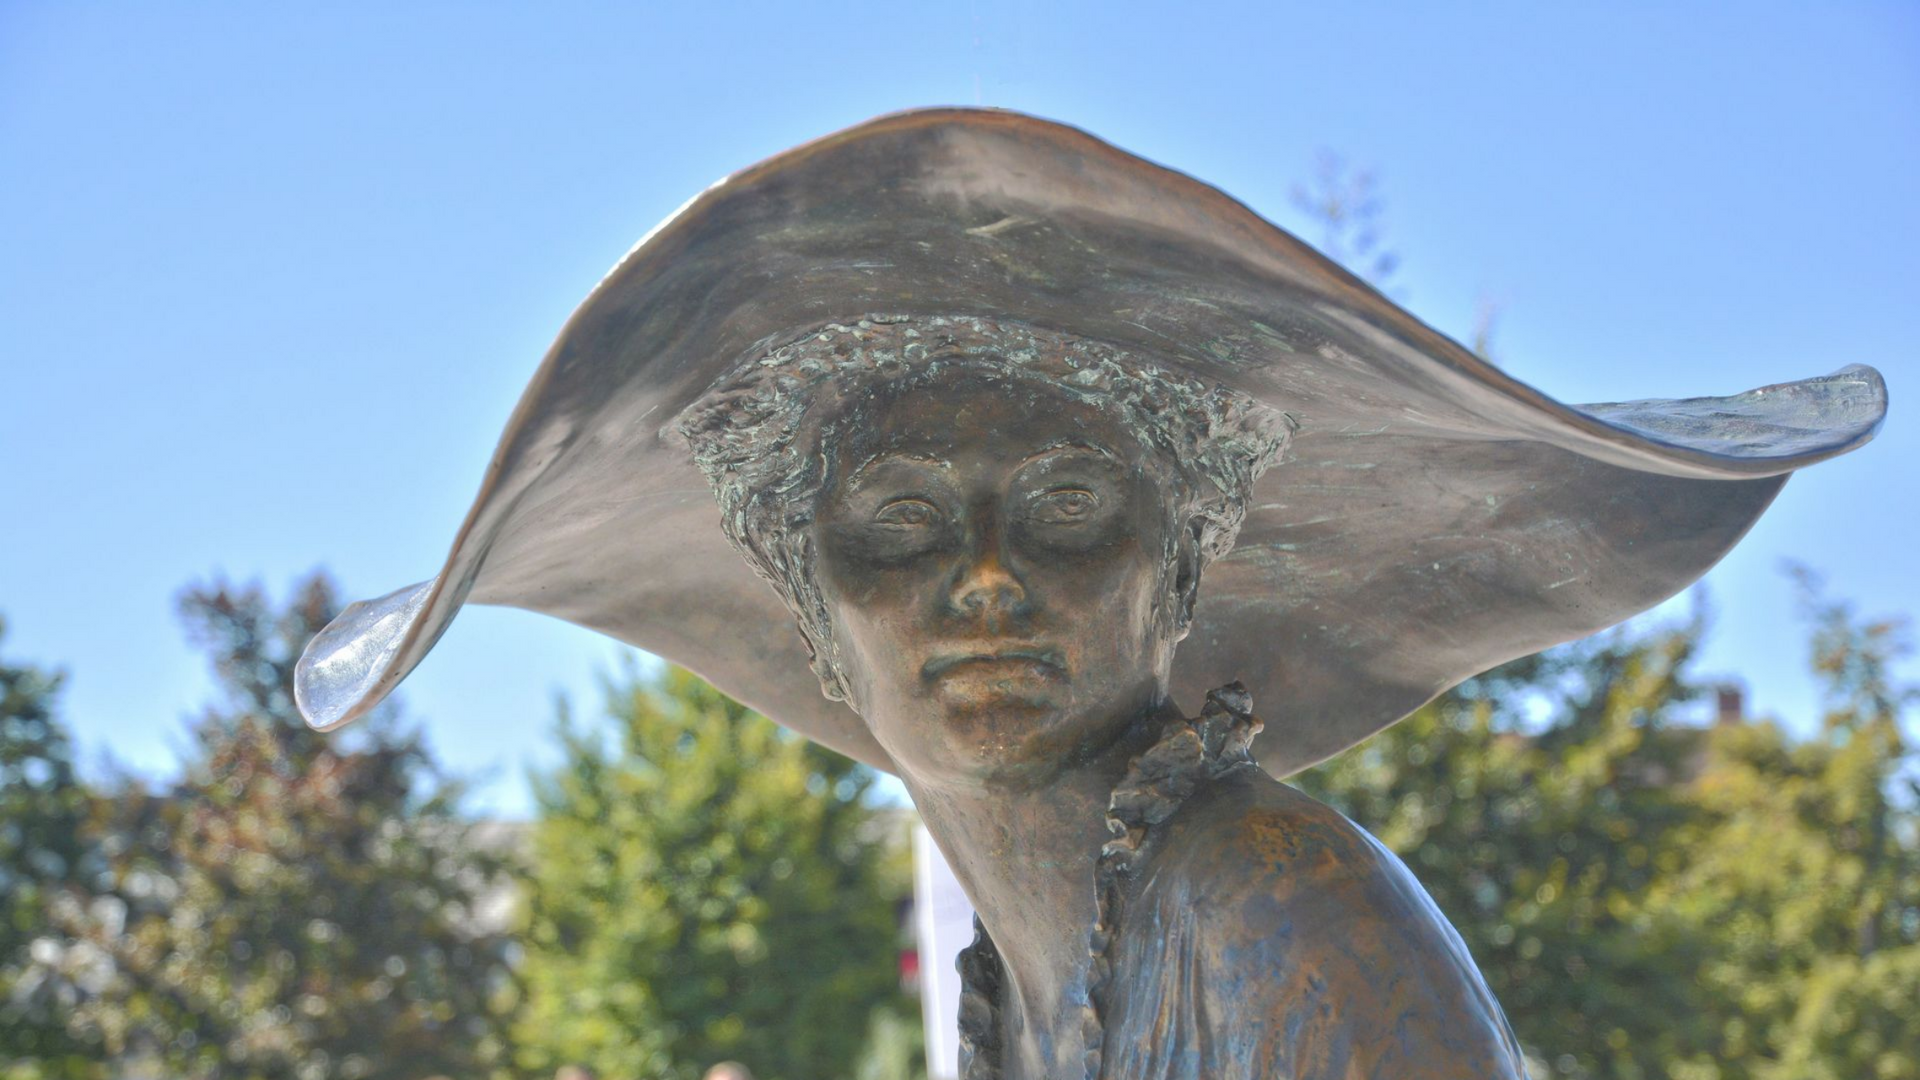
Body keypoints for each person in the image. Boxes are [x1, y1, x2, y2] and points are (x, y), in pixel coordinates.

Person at [293, 110, 1885, 1078]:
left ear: (1176, 567)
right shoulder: (1025, 977)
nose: (986, 579)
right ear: (807, 603)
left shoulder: (1287, 919)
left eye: (1067, 510)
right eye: (901, 521)